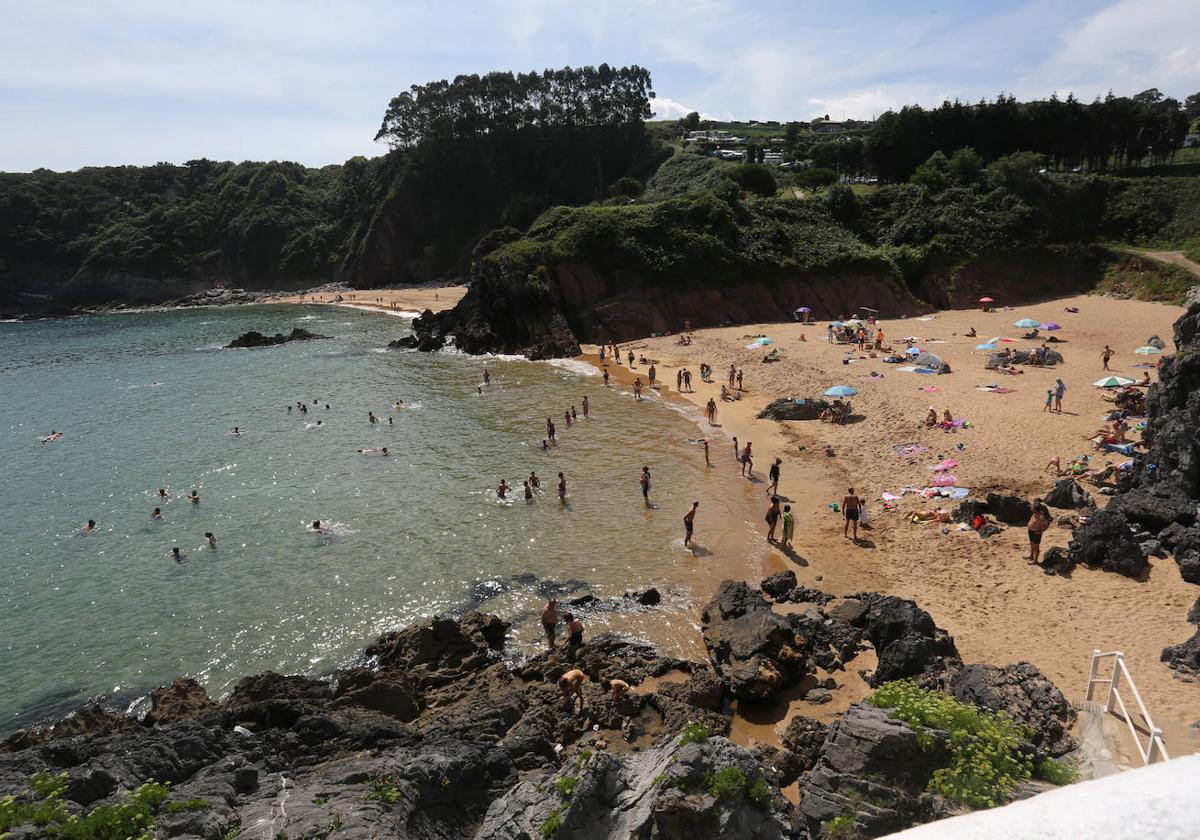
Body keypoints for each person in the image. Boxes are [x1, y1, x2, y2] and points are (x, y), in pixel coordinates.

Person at [1027, 499, 1052, 565]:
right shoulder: (1035, 514)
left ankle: (1035, 560)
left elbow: (1046, 525)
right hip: (1031, 531)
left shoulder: (1041, 517)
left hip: (1036, 533)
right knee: (1032, 544)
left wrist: (1040, 531)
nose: (1031, 508)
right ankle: (1031, 556)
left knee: (1036, 547)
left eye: (1032, 507)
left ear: (1035, 509)